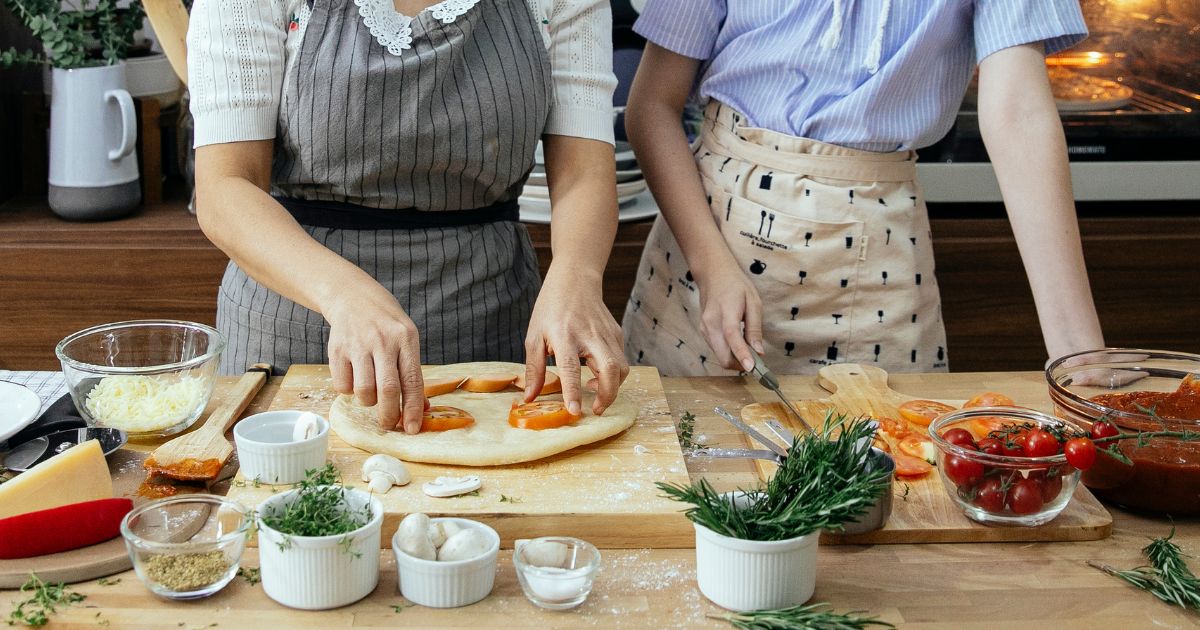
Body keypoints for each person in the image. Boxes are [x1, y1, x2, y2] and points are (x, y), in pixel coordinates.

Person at [187, 0, 629, 433]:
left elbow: (583, 173)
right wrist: (342, 294)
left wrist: (578, 276)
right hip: (295, 336)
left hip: (489, 325)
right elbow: (225, 187)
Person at [622, 0, 1106, 376]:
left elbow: (1018, 116)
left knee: (892, 485)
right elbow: (651, 107)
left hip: (880, 258)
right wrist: (711, 269)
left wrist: (1079, 353)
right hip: (706, 246)